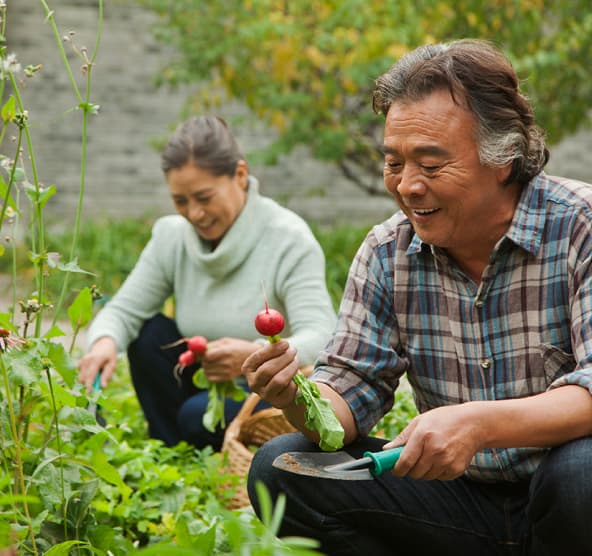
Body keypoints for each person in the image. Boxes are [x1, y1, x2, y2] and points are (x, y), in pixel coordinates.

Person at [241, 39, 592, 555]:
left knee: (583, 472)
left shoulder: (581, 226)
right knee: (283, 466)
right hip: (459, 502)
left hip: (566, 495)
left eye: (430, 164)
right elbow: (348, 393)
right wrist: (296, 396)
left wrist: (477, 424)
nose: (407, 186)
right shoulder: (389, 251)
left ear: (503, 158)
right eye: (394, 163)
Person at [77, 115, 336, 450]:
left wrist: (256, 355)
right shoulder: (172, 236)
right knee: (148, 333)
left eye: (204, 197)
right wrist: (103, 343)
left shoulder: (288, 239)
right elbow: (123, 310)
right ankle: (173, 455)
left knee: (196, 415)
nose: (194, 213)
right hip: (201, 382)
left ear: (240, 176)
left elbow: (322, 336)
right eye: (180, 201)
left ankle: (198, 448)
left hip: (265, 390)